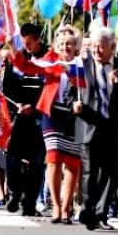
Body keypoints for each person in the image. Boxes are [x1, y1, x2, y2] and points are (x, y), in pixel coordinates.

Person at [73, 27, 118, 231]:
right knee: (90, 171)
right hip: (88, 124)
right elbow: (69, 92)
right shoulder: (80, 66)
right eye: (93, 47)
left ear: (112, 47)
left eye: (100, 47)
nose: (96, 51)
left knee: (111, 172)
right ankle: (88, 210)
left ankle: (101, 214)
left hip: (114, 125)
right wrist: (72, 105)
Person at [3, 24, 51, 217]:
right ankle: (15, 192)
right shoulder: (16, 58)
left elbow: (49, 88)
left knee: (37, 161)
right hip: (19, 115)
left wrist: (34, 106)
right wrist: (17, 107)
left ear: (39, 39)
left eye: (30, 43)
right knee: (12, 157)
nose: (27, 47)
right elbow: (8, 86)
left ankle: (30, 202)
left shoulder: (50, 58)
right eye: (24, 43)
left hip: (40, 116)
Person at [39, 26, 83, 224]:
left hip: (75, 116)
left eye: (70, 44)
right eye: (62, 43)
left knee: (73, 162)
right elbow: (29, 62)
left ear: (76, 47)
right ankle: (56, 205)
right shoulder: (50, 61)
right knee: (54, 157)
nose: (66, 46)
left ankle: (67, 207)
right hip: (52, 113)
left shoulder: (82, 65)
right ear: (56, 46)